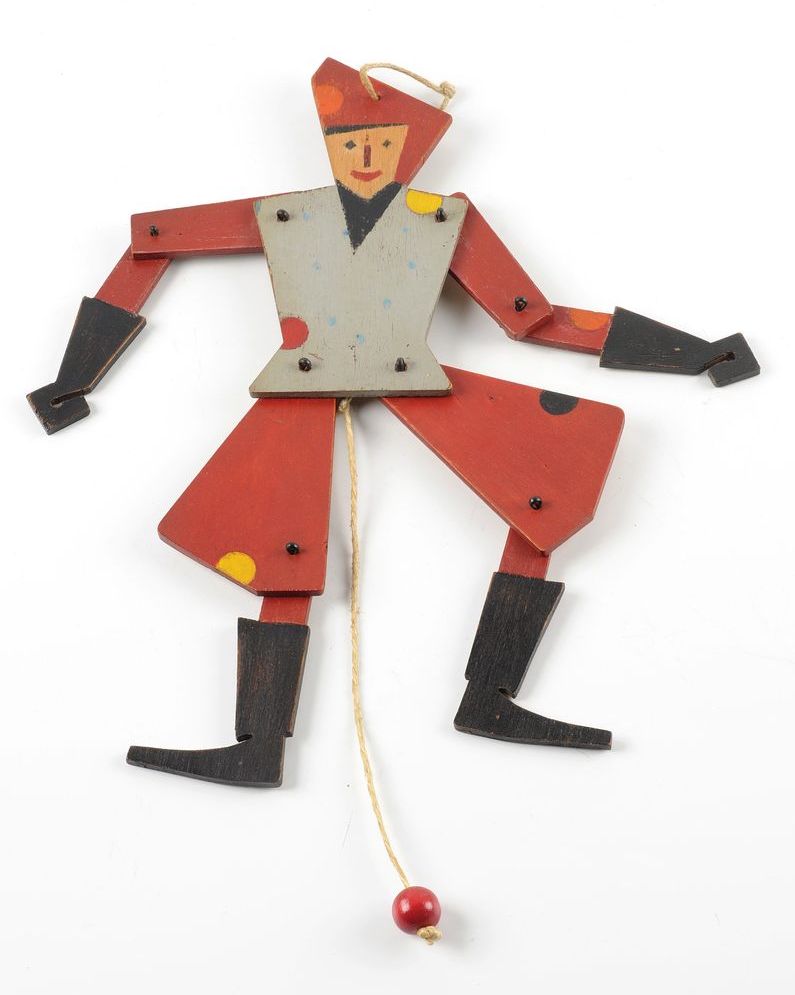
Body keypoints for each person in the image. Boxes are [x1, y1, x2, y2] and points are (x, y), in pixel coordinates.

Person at [27, 58, 759, 786]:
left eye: (381, 143)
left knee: (550, 486)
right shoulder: (287, 211)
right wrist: (74, 377)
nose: (366, 157)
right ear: (330, 146)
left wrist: (692, 352)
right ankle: (257, 747)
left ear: (414, 150)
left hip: (414, 377)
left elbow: (534, 317)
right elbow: (151, 238)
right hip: (299, 386)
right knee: (277, 552)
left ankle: (489, 699)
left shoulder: (443, 217)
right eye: (351, 143)